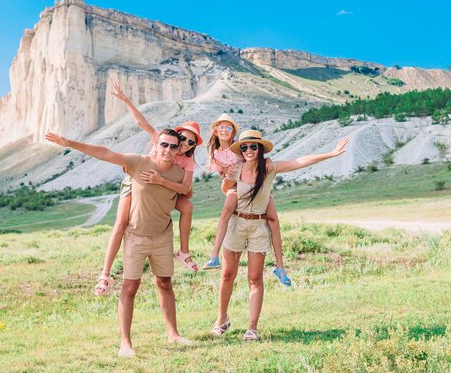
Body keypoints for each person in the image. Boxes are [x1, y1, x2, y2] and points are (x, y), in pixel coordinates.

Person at [45, 129, 193, 357]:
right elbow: (105, 153)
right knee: (130, 287)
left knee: (165, 283)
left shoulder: (179, 173)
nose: (169, 150)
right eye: (164, 145)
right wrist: (69, 142)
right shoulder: (138, 162)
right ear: (156, 143)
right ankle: (125, 343)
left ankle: (173, 334)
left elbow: (186, 194)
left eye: (174, 146)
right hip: (136, 236)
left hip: (163, 235)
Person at [211, 130, 348, 341]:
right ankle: (222, 319)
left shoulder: (269, 167)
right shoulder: (236, 168)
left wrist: (329, 155)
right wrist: (228, 182)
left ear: (260, 149)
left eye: (253, 147)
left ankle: (252, 327)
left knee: (255, 278)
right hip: (236, 223)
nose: (248, 150)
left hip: (258, 225)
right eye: (245, 147)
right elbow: (225, 188)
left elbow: (299, 162)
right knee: (228, 274)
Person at [94, 83, 201, 297]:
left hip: (165, 189)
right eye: (183, 139)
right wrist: (125, 99)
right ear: (176, 136)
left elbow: (187, 190)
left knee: (187, 206)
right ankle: (105, 273)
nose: (185, 144)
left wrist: (160, 181)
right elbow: (141, 122)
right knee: (121, 223)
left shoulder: (188, 160)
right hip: (139, 182)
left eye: (192, 142)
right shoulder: (164, 141)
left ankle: (184, 251)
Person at [202, 115, 290, 287]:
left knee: (273, 221)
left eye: (228, 128)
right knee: (226, 212)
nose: (224, 131)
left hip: (257, 188)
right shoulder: (216, 153)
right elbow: (224, 180)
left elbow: (259, 161)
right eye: (221, 127)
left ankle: (280, 267)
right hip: (236, 187)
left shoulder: (242, 145)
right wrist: (229, 178)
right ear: (215, 130)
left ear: (234, 131)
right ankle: (214, 256)